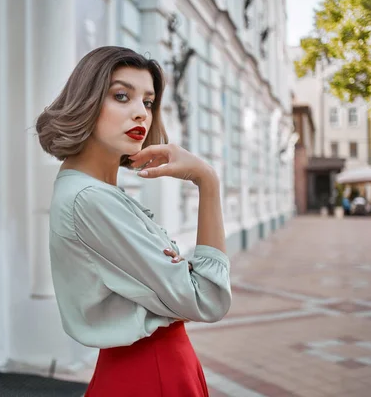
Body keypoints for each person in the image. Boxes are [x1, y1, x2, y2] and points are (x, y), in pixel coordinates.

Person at [36, 46, 232, 397]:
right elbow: (208, 299)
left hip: (147, 365)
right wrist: (207, 180)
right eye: (122, 96)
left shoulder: (97, 193)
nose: (141, 113)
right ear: (87, 100)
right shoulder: (90, 199)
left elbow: (181, 288)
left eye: (148, 102)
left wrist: (179, 275)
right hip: (149, 369)